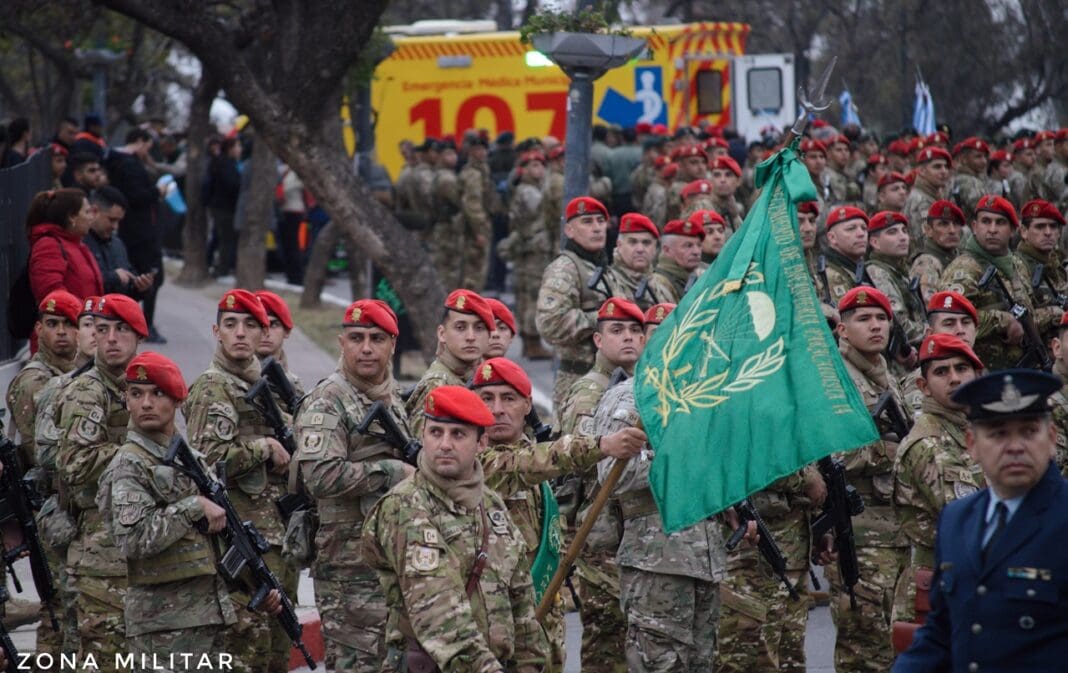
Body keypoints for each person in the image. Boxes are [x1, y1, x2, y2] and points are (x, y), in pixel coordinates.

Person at [473, 357, 646, 669]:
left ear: (527, 404)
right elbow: (524, 464)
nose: (496, 408)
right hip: (495, 625)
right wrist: (602, 445)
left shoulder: (535, 461)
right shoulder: (475, 463)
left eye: (507, 398)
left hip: (542, 622)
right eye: (486, 398)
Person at [362, 385, 549, 673]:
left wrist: (531, 666)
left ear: (481, 442)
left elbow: (522, 609)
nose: (445, 444)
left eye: (458, 434)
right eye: (436, 432)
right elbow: (439, 615)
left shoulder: (492, 506)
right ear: (423, 435)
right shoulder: (406, 506)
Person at [892, 369, 1068, 672]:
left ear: (1051, 438)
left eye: (1028, 431)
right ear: (971, 444)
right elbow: (943, 632)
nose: (1015, 446)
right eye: (998, 433)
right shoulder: (957, 519)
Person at [294, 299, 415, 672]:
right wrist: (391, 472)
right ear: (341, 343)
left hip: (390, 556)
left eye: (376, 338)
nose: (366, 348)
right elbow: (321, 476)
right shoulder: (328, 401)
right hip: (348, 566)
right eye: (357, 338)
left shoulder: (390, 398)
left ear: (392, 345)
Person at [99, 352, 239, 670]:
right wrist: (193, 507)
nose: (146, 403)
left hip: (204, 616)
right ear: (127, 402)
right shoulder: (130, 462)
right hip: (161, 625)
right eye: (136, 394)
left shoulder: (191, 459)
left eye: (157, 393)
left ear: (176, 399)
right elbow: (133, 539)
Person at [182, 289, 293, 673]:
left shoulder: (265, 385)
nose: (240, 333)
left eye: (250, 325)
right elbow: (205, 464)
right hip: (237, 541)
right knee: (246, 651)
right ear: (217, 331)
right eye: (231, 325)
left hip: (274, 536)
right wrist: (263, 448)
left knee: (276, 654)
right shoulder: (214, 387)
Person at [591, 376, 728, 672]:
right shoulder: (631, 396)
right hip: (656, 562)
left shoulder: (706, 392)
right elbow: (615, 475)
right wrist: (683, 459)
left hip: (705, 561)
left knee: (701, 664)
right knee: (659, 665)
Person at [56, 294, 148, 671]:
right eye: (102, 329)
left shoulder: (142, 387)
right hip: (99, 550)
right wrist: (137, 451)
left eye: (121, 330)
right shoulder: (87, 390)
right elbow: (75, 464)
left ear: (138, 336)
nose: (110, 338)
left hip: (137, 546)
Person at [828, 286, 910, 672]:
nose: (876, 326)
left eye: (881, 318)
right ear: (843, 330)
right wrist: (888, 452)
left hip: (895, 528)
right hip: (860, 532)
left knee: (894, 646)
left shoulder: (883, 374)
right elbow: (831, 453)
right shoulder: (835, 377)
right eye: (863, 319)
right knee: (864, 649)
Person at [892, 334, 985, 634]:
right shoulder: (929, 443)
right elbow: (973, 521)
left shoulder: (971, 431)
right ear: (923, 386)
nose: (955, 378)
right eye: (942, 372)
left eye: (962, 368)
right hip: (936, 592)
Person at [4, 290, 79, 656]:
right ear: (38, 329)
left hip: (68, 506)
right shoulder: (33, 381)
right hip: (47, 509)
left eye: (69, 324)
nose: (61, 332)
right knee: (58, 610)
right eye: (52, 324)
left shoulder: (76, 375)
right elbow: (45, 454)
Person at [939, 195, 1053, 370]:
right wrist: (1002, 320)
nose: (992, 229)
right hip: (982, 371)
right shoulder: (965, 270)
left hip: (1021, 365)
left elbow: (1027, 310)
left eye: (1000, 223)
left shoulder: (1016, 264)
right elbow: (946, 322)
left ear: (1013, 231)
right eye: (986, 221)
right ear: (975, 227)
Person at [536, 196, 618, 412]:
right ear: (569, 230)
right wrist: (602, 320)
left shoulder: (601, 266)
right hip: (576, 380)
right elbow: (550, 323)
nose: (597, 228)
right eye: (587, 222)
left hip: (608, 378)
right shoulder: (565, 269)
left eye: (601, 221)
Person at [405, 289, 494, 436]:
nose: (470, 337)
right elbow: (427, 448)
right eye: (460, 328)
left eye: (479, 328)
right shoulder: (437, 385)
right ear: (442, 334)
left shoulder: (473, 378)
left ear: (489, 336)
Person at [106, 128, 166, 343]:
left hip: (135, 231)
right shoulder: (128, 164)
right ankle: (143, 323)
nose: (147, 153)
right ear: (140, 141)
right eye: (147, 147)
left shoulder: (118, 161)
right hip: (140, 232)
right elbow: (136, 196)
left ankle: (133, 322)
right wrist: (157, 192)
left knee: (138, 278)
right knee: (150, 278)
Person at [502, 150, 553, 359]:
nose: (539, 170)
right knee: (532, 295)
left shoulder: (524, 189)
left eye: (541, 165)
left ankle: (529, 341)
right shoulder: (530, 192)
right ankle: (532, 341)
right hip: (533, 250)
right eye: (533, 166)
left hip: (527, 248)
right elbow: (540, 207)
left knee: (525, 295)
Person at [26, 188, 104, 303]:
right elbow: (51, 293)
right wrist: (81, 314)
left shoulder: (77, 244)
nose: (91, 217)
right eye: (87, 212)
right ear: (72, 217)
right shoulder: (48, 245)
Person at [863, 210, 926, 348]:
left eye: (904, 231)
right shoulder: (877, 272)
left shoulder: (898, 270)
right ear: (875, 242)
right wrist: (931, 333)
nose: (903, 237)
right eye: (892, 232)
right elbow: (898, 322)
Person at [84, 186, 155, 299]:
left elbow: (128, 286)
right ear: (94, 211)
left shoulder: (118, 245)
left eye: (118, 221)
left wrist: (140, 287)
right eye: (111, 220)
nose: (115, 227)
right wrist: (113, 277)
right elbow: (81, 282)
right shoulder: (79, 242)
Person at [1013, 199, 1066, 339]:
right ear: (1024, 231)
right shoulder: (1017, 266)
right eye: (1040, 227)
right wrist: (1056, 313)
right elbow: (1019, 321)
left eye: (1053, 226)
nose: (1048, 232)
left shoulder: (1057, 266)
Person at [910, 200, 964, 304]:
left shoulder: (961, 256)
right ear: (928, 230)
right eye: (943, 224)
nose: (952, 230)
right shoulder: (926, 262)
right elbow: (930, 306)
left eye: (956, 224)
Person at [253, 290, 305, 397]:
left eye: (273, 325)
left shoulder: (295, 385)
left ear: (287, 331)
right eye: (259, 324)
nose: (266, 333)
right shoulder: (231, 380)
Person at [607, 213, 663, 311]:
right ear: (619, 246)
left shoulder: (662, 287)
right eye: (633, 242)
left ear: (655, 249)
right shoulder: (607, 283)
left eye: (646, 243)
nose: (640, 249)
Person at [206, 137, 242, 278]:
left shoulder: (226, 163)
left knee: (218, 237)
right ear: (230, 148)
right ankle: (221, 269)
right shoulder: (225, 164)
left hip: (221, 206)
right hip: (224, 207)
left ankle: (211, 262)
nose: (240, 149)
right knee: (224, 238)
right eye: (237, 146)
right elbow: (231, 185)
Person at [648, 217, 705, 304]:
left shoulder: (701, 276)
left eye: (699, 245)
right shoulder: (657, 284)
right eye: (688, 246)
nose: (696, 252)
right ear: (667, 250)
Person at [903, 147, 953, 244]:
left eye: (946, 167)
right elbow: (925, 241)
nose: (944, 171)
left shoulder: (932, 195)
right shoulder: (921, 201)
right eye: (937, 167)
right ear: (922, 171)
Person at [821, 206, 870, 303]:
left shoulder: (863, 269)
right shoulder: (828, 274)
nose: (861, 234)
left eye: (864, 228)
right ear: (832, 238)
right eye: (851, 229)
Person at [277, 166, 306, 285]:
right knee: (286, 246)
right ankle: (290, 274)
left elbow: (299, 186)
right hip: (283, 210)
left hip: (294, 211)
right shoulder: (281, 169)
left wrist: (281, 190)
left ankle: (297, 276)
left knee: (294, 245)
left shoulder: (297, 171)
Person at [950, 138, 990, 222]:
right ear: (964, 159)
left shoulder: (975, 178)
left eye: (984, 156)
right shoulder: (964, 180)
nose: (984, 161)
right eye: (978, 157)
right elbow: (982, 209)